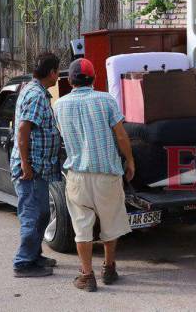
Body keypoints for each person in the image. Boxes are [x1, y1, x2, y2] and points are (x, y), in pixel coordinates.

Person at [54, 58, 135, 292]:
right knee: (110, 223)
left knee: (82, 227)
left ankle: (86, 275)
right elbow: (121, 135)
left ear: (70, 81)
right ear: (94, 78)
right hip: (107, 174)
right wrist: (130, 161)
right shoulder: (106, 99)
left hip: (77, 176)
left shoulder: (60, 105)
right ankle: (109, 268)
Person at [10, 52, 62, 278]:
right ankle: (23, 263)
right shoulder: (36, 95)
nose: (58, 76)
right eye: (58, 72)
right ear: (52, 73)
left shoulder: (35, 91)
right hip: (30, 169)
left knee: (41, 213)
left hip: (39, 168)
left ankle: (34, 255)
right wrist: (25, 164)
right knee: (32, 215)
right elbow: (23, 130)